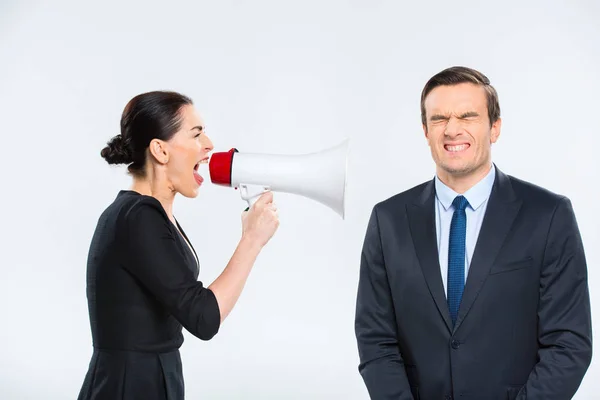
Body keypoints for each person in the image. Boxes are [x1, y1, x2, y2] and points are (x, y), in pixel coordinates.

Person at [354, 66, 592, 400]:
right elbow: (375, 338)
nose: (452, 129)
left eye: (467, 116)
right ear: (425, 130)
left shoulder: (548, 215)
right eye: (439, 119)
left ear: (495, 128)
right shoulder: (388, 220)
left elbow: (569, 343)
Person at [77, 91, 279, 400]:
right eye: (196, 134)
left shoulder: (148, 215)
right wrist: (251, 240)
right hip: (129, 386)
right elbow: (203, 317)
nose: (210, 144)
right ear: (160, 150)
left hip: (151, 379)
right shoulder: (137, 218)